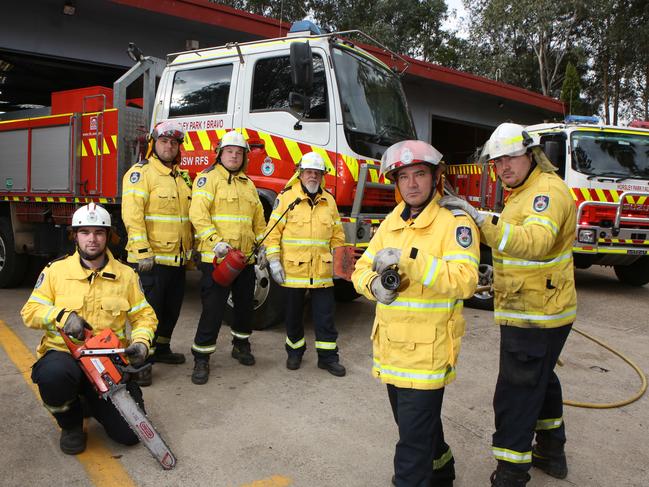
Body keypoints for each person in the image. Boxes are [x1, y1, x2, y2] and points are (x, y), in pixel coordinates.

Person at [439, 123, 577, 487]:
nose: (503, 168)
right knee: (541, 381)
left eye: (510, 158)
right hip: (539, 308)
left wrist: (479, 218)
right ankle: (551, 451)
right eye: (497, 161)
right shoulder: (523, 191)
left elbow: (534, 241)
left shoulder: (546, 192)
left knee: (516, 393)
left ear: (531, 154)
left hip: (536, 315)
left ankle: (511, 473)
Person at [351, 140, 480, 486]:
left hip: (428, 356)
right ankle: (443, 470)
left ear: (435, 177)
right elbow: (361, 268)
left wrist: (409, 257)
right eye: (403, 176)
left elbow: (465, 281)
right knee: (419, 430)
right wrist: (373, 286)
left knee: (410, 447)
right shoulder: (392, 220)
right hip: (392, 352)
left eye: (420, 174)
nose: (411, 184)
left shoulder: (455, 223)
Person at [21, 204, 157, 455]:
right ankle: (71, 423)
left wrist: (141, 342)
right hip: (64, 357)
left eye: (98, 232)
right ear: (75, 235)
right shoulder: (55, 271)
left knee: (129, 436)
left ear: (108, 236)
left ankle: (91, 401)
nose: (92, 239)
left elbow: (144, 316)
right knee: (53, 377)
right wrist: (62, 316)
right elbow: (30, 312)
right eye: (85, 232)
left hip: (108, 362)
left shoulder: (126, 275)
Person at [188, 130, 266, 385]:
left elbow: (258, 220)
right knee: (213, 308)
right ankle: (201, 357)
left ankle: (241, 344)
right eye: (230, 151)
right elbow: (198, 214)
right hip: (218, 259)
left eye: (239, 152)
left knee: (244, 305)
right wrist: (214, 242)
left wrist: (263, 245)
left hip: (245, 259)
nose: (234, 155)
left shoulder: (249, 184)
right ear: (220, 153)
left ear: (244, 157)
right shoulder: (207, 179)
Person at [121, 120, 193, 386]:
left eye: (174, 143)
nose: (169, 146)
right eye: (164, 141)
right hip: (151, 261)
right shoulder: (140, 174)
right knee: (148, 313)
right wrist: (143, 252)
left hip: (176, 260)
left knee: (171, 310)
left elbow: (186, 218)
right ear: (154, 144)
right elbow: (132, 216)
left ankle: (161, 350)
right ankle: (141, 362)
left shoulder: (181, 178)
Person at [265, 152, 347, 376]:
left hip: (321, 272)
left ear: (322, 176)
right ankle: (294, 352)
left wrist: (341, 265)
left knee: (325, 317)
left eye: (317, 173)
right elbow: (272, 234)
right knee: (293, 316)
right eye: (309, 172)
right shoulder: (286, 198)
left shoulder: (329, 200)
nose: (313, 176)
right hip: (293, 271)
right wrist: (274, 262)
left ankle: (328, 358)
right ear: (300, 174)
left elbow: (338, 236)